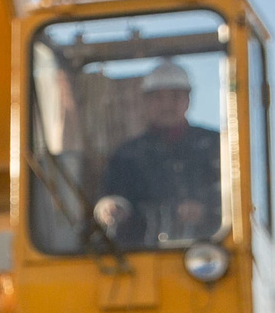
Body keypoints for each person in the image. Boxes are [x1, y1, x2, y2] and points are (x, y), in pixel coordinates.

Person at [91, 58, 221, 246]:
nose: (167, 105)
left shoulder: (217, 145)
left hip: (209, 256)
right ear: (145, 101)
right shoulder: (126, 155)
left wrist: (205, 210)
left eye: (175, 96)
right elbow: (111, 195)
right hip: (139, 261)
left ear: (188, 100)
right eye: (158, 97)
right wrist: (110, 207)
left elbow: (237, 199)